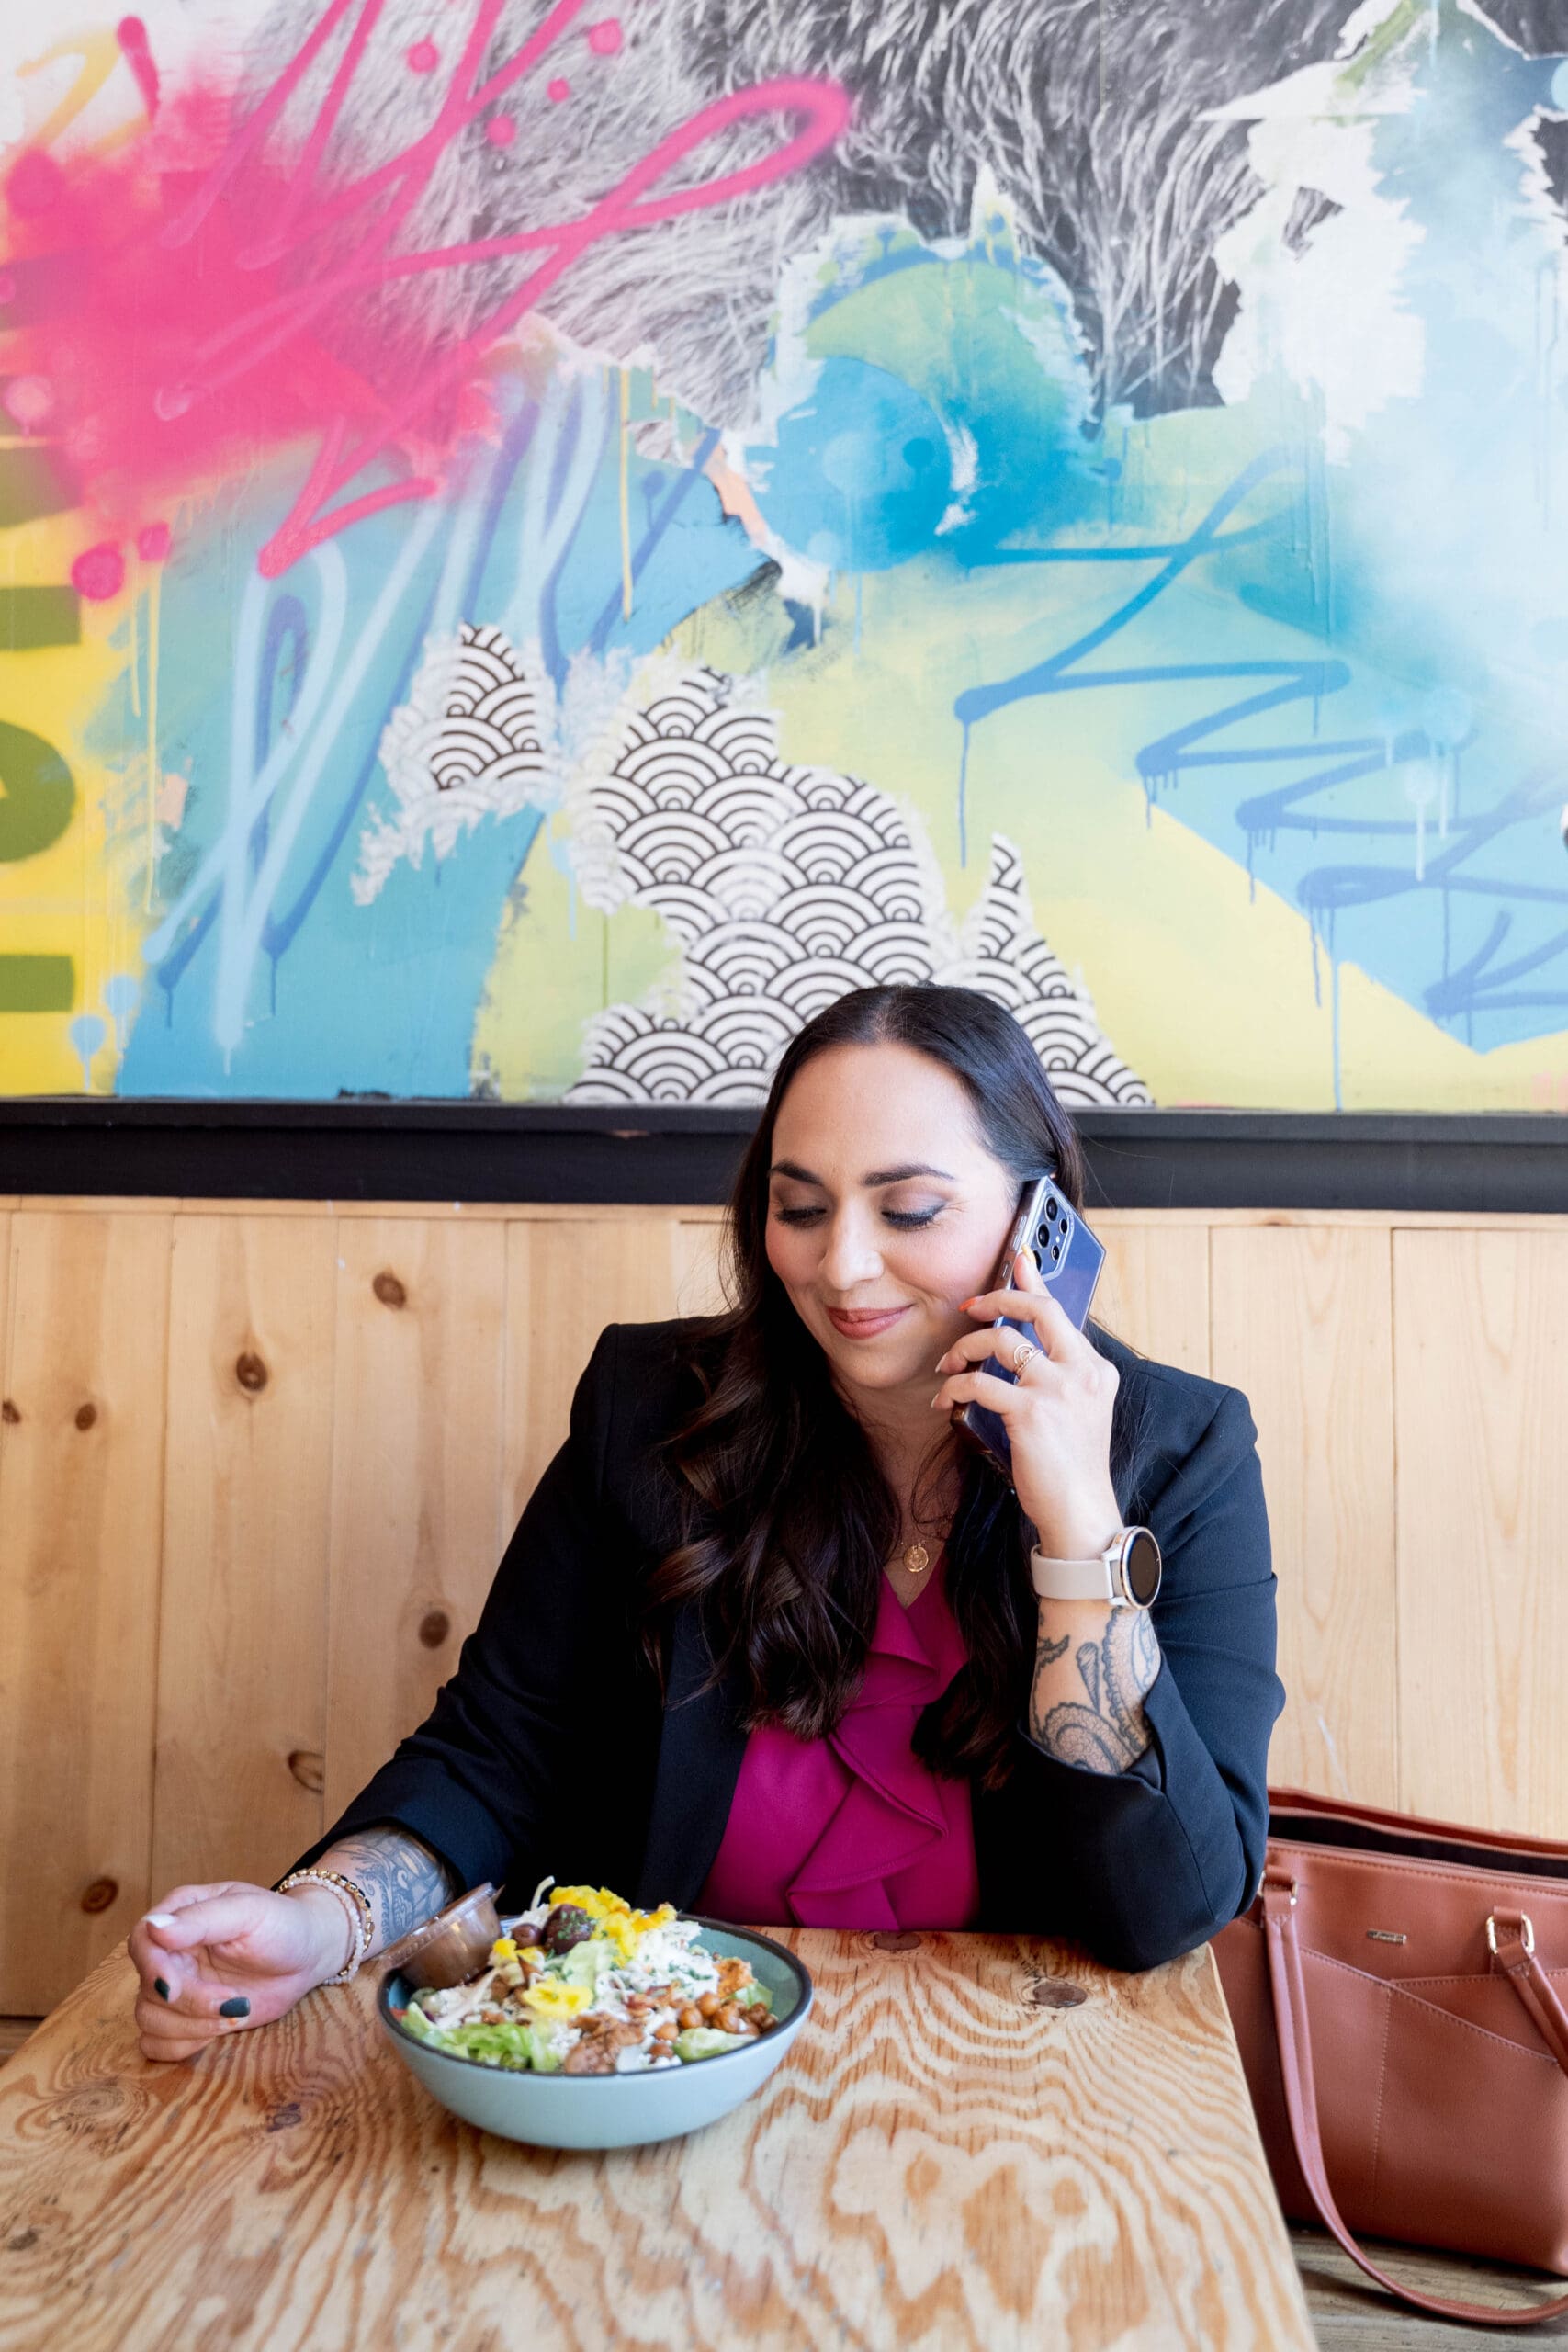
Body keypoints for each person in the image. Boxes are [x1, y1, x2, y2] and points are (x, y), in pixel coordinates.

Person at [130, 984, 1283, 2061]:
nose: (842, 1265)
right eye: (800, 1207)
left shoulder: (1184, 1453)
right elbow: (500, 1750)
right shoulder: (650, 1411)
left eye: (912, 1208)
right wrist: (320, 1921)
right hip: (654, 2053)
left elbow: (1166, 1908)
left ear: (1041, 1221)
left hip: (1016, 2072)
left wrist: (1078, 1529)